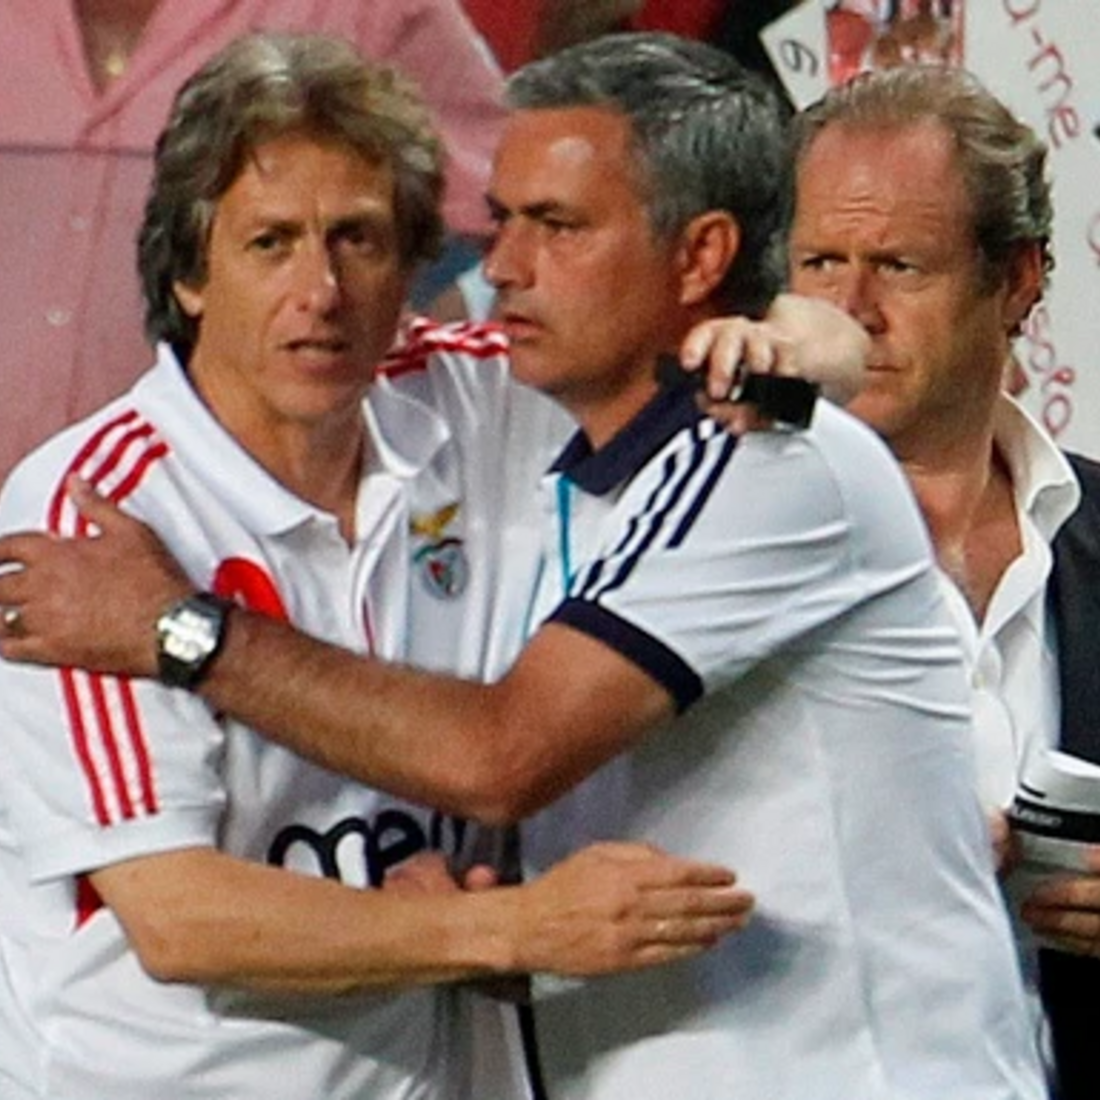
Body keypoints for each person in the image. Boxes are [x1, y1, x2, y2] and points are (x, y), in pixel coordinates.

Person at [0, 32, 1045, 1100]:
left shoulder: (548, 412)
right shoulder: (95, 523)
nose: (319, 290)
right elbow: (176, 916)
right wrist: (502, 923)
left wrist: (797, 333)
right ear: (186, 274)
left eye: (358, 239)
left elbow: (501, 751)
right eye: (269, 242)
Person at [783, 62, 1098, 1100]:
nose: (849, 309)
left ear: (1013, 281)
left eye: (898, 266)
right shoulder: (704, 547)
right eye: (819, 261)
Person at [0, 0, 507, 484]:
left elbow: (516, 206)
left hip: (236, 510)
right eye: (272, 242)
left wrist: (414, 404)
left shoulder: (372, 12)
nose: (321, 290)